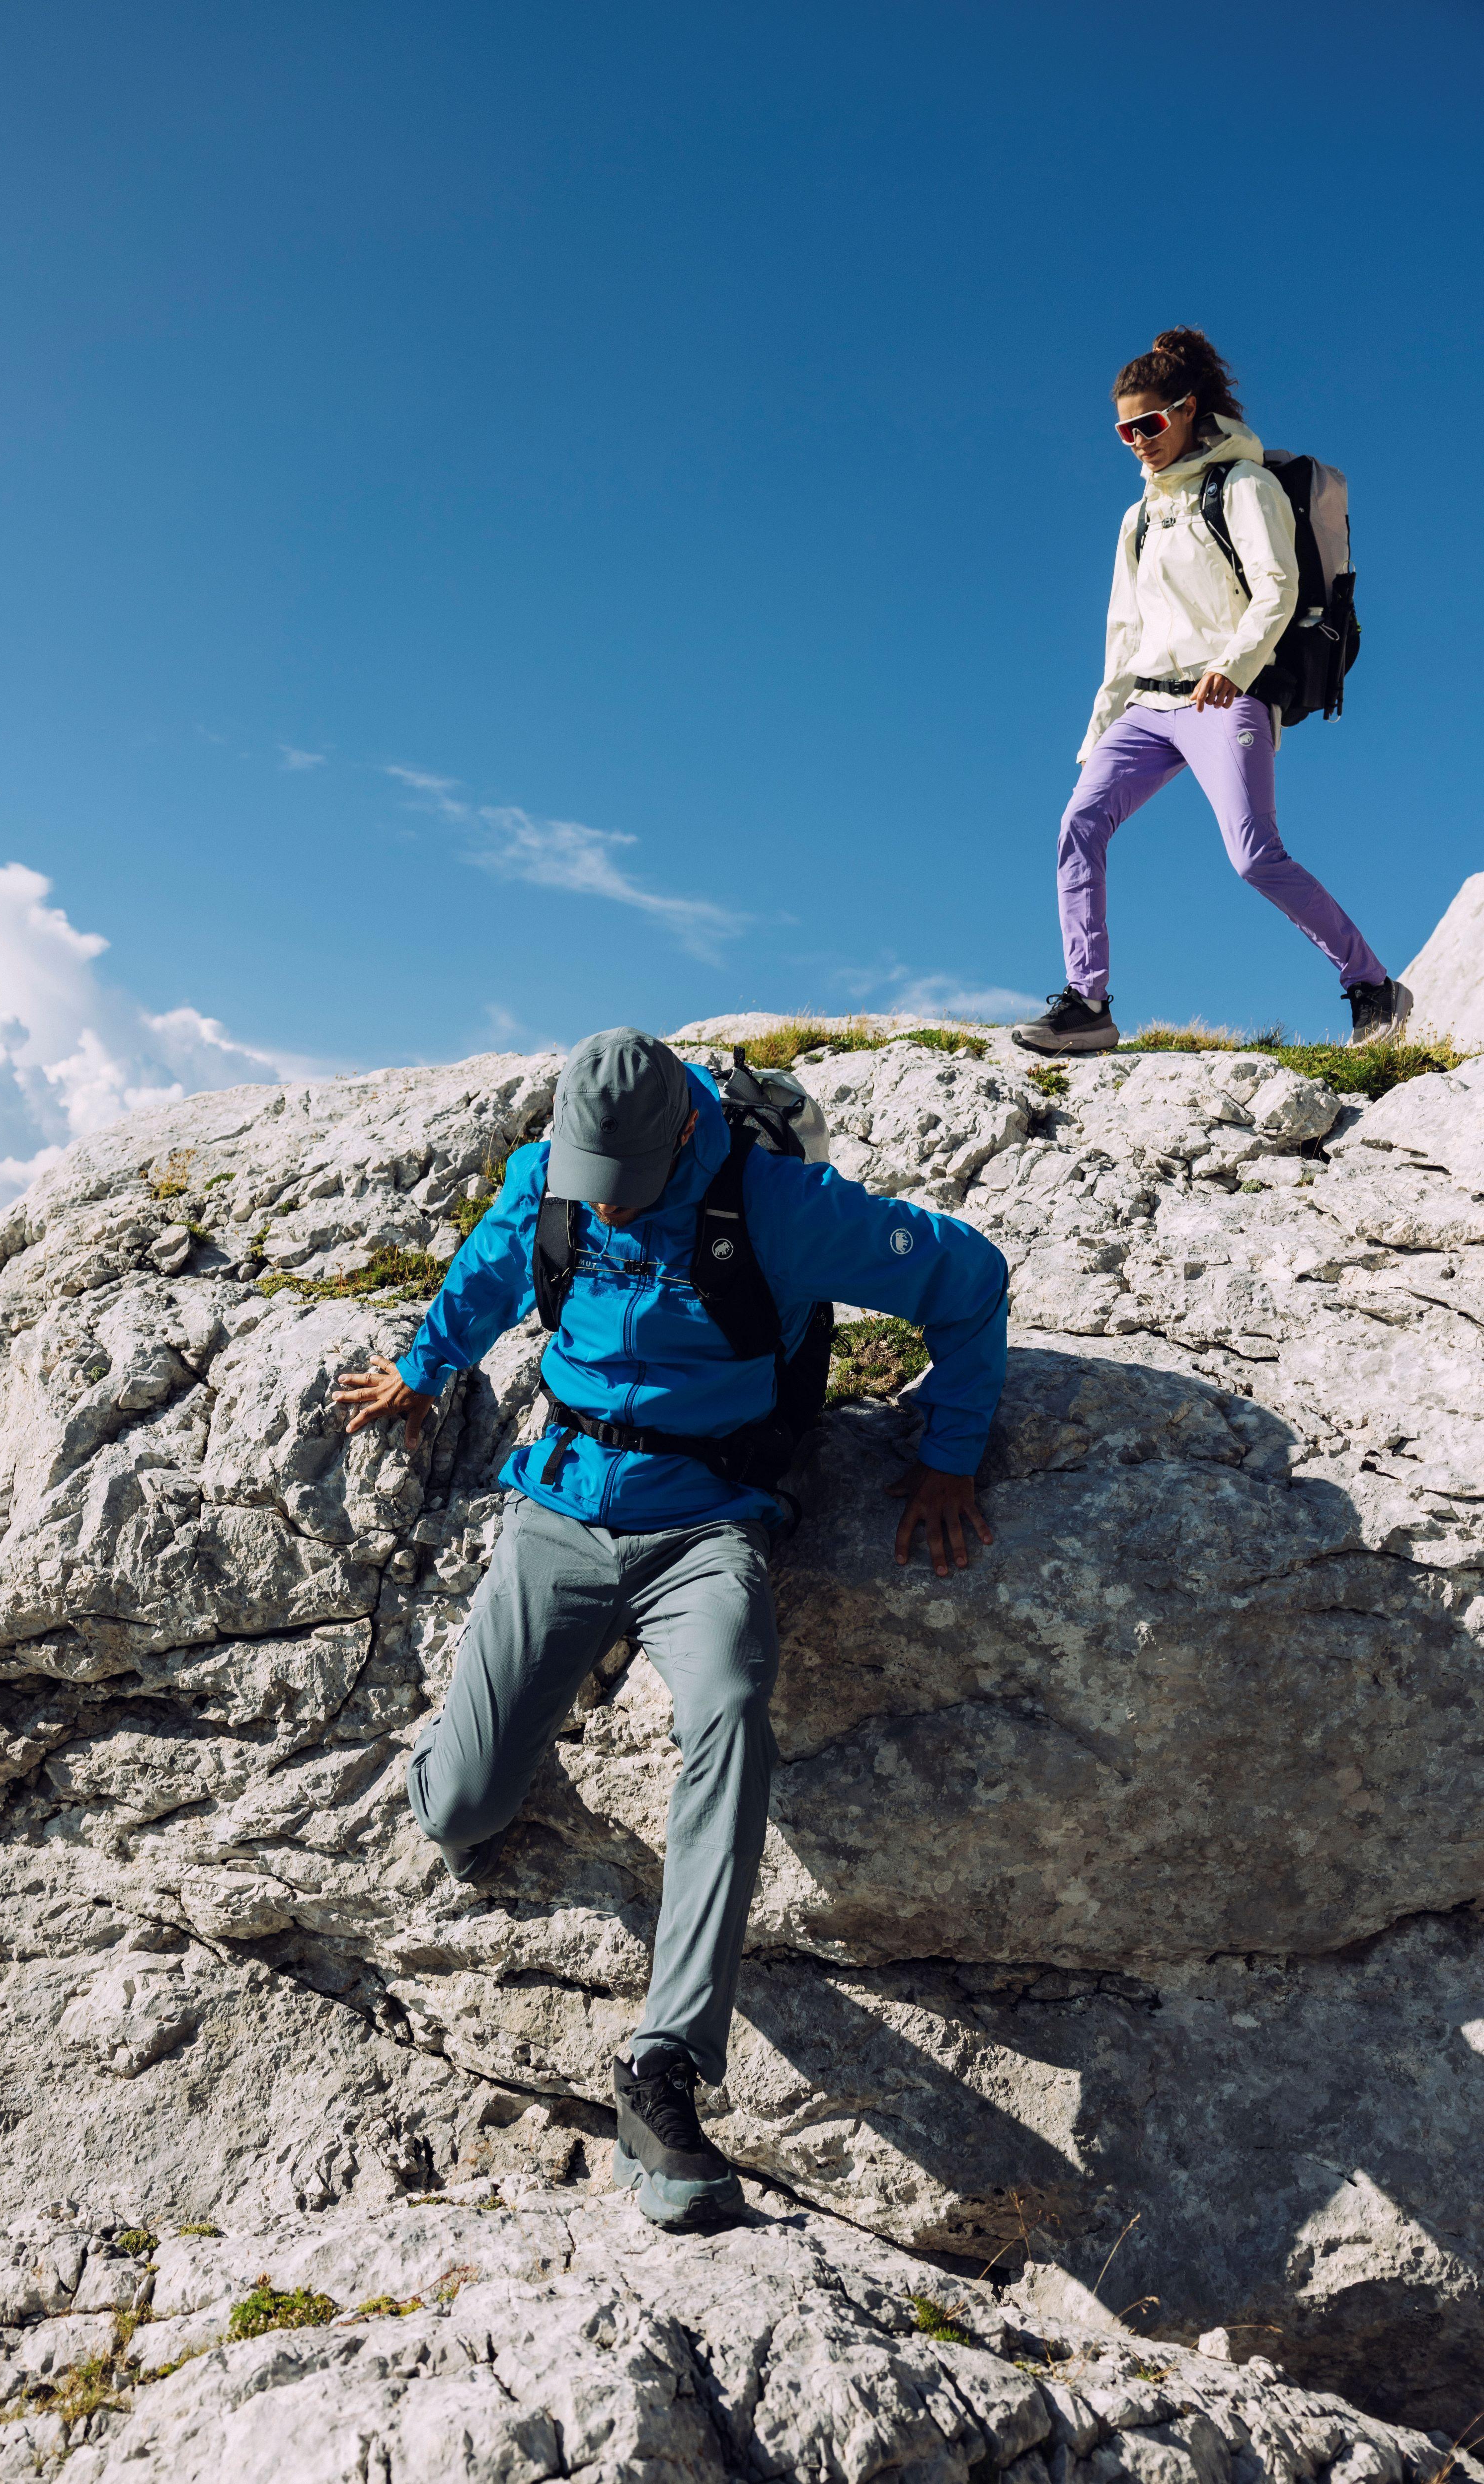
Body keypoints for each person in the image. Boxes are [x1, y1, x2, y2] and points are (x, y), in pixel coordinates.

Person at [333, 1027, 1009, 2231]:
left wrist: (949, 1458)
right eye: (587, 1179)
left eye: (624, 1184)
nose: (605, 1206)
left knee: (731, 1710)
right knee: (459, 1812)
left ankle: (666, 2067)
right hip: (566, 1503)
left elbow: (969, 1278)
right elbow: (492, 1267)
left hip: (709, 1523)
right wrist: (423, 1367)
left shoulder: (781, 1205)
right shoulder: (555, 1174)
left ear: (686, 1131)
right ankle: (569, 1665)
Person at [1013, 326, 1409, 1057]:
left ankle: (1372, 985)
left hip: (1225, 699)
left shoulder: (1246, 485)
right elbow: (1123, 632)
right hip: (1146, 708)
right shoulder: (1137, 520)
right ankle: (1087, 1005)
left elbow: (1277, 589)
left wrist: (1236, 664)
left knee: (1255, 856)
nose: (1137, 440)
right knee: (1079, 829)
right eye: (1124, 430)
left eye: (1150, 423)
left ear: (1188, 409)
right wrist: (1100, 729)